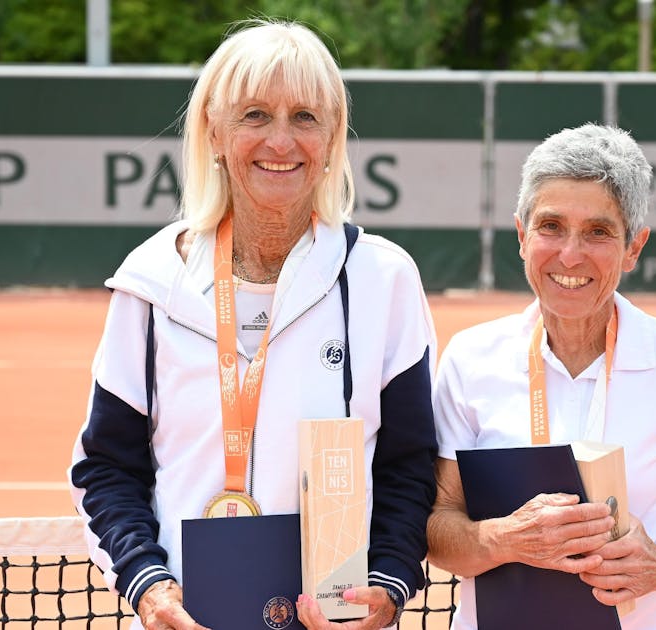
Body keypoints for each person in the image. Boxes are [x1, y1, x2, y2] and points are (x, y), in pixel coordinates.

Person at [69, 19, 438, 630]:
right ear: (214, 131)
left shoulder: (383, 279)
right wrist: (149, 585)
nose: (281, 141)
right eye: (256, 116)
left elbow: (410, 464)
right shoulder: (153, 281)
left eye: (305, 117)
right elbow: (106, 466)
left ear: (333, 138)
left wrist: (386, 584)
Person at [426, 122, 656, 629]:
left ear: (633, 248)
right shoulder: (469, 357)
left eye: (598, 232)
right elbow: (439, 525)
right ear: (523, 235)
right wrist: (507, 539)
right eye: (551, 226)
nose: (570, 254)